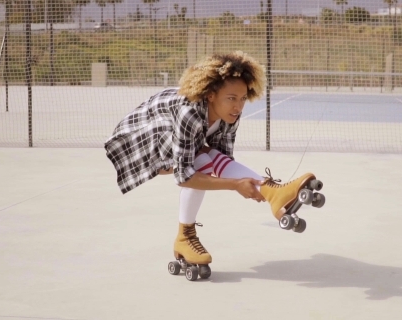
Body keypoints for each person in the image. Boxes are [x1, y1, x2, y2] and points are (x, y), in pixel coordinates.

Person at [104, 51, 317, 274]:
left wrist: (257, 189)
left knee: (209, 157)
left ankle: (273, 192)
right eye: (232, 98)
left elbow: (223, 161)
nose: (238, 106)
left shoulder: (230, 116)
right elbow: (185, 177)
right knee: (200, 162)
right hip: (140, 142)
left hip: (174, 136)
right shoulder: (189, 112)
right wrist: (235, 185)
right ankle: (184, 237)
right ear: (211, 95)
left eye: (243, 98)